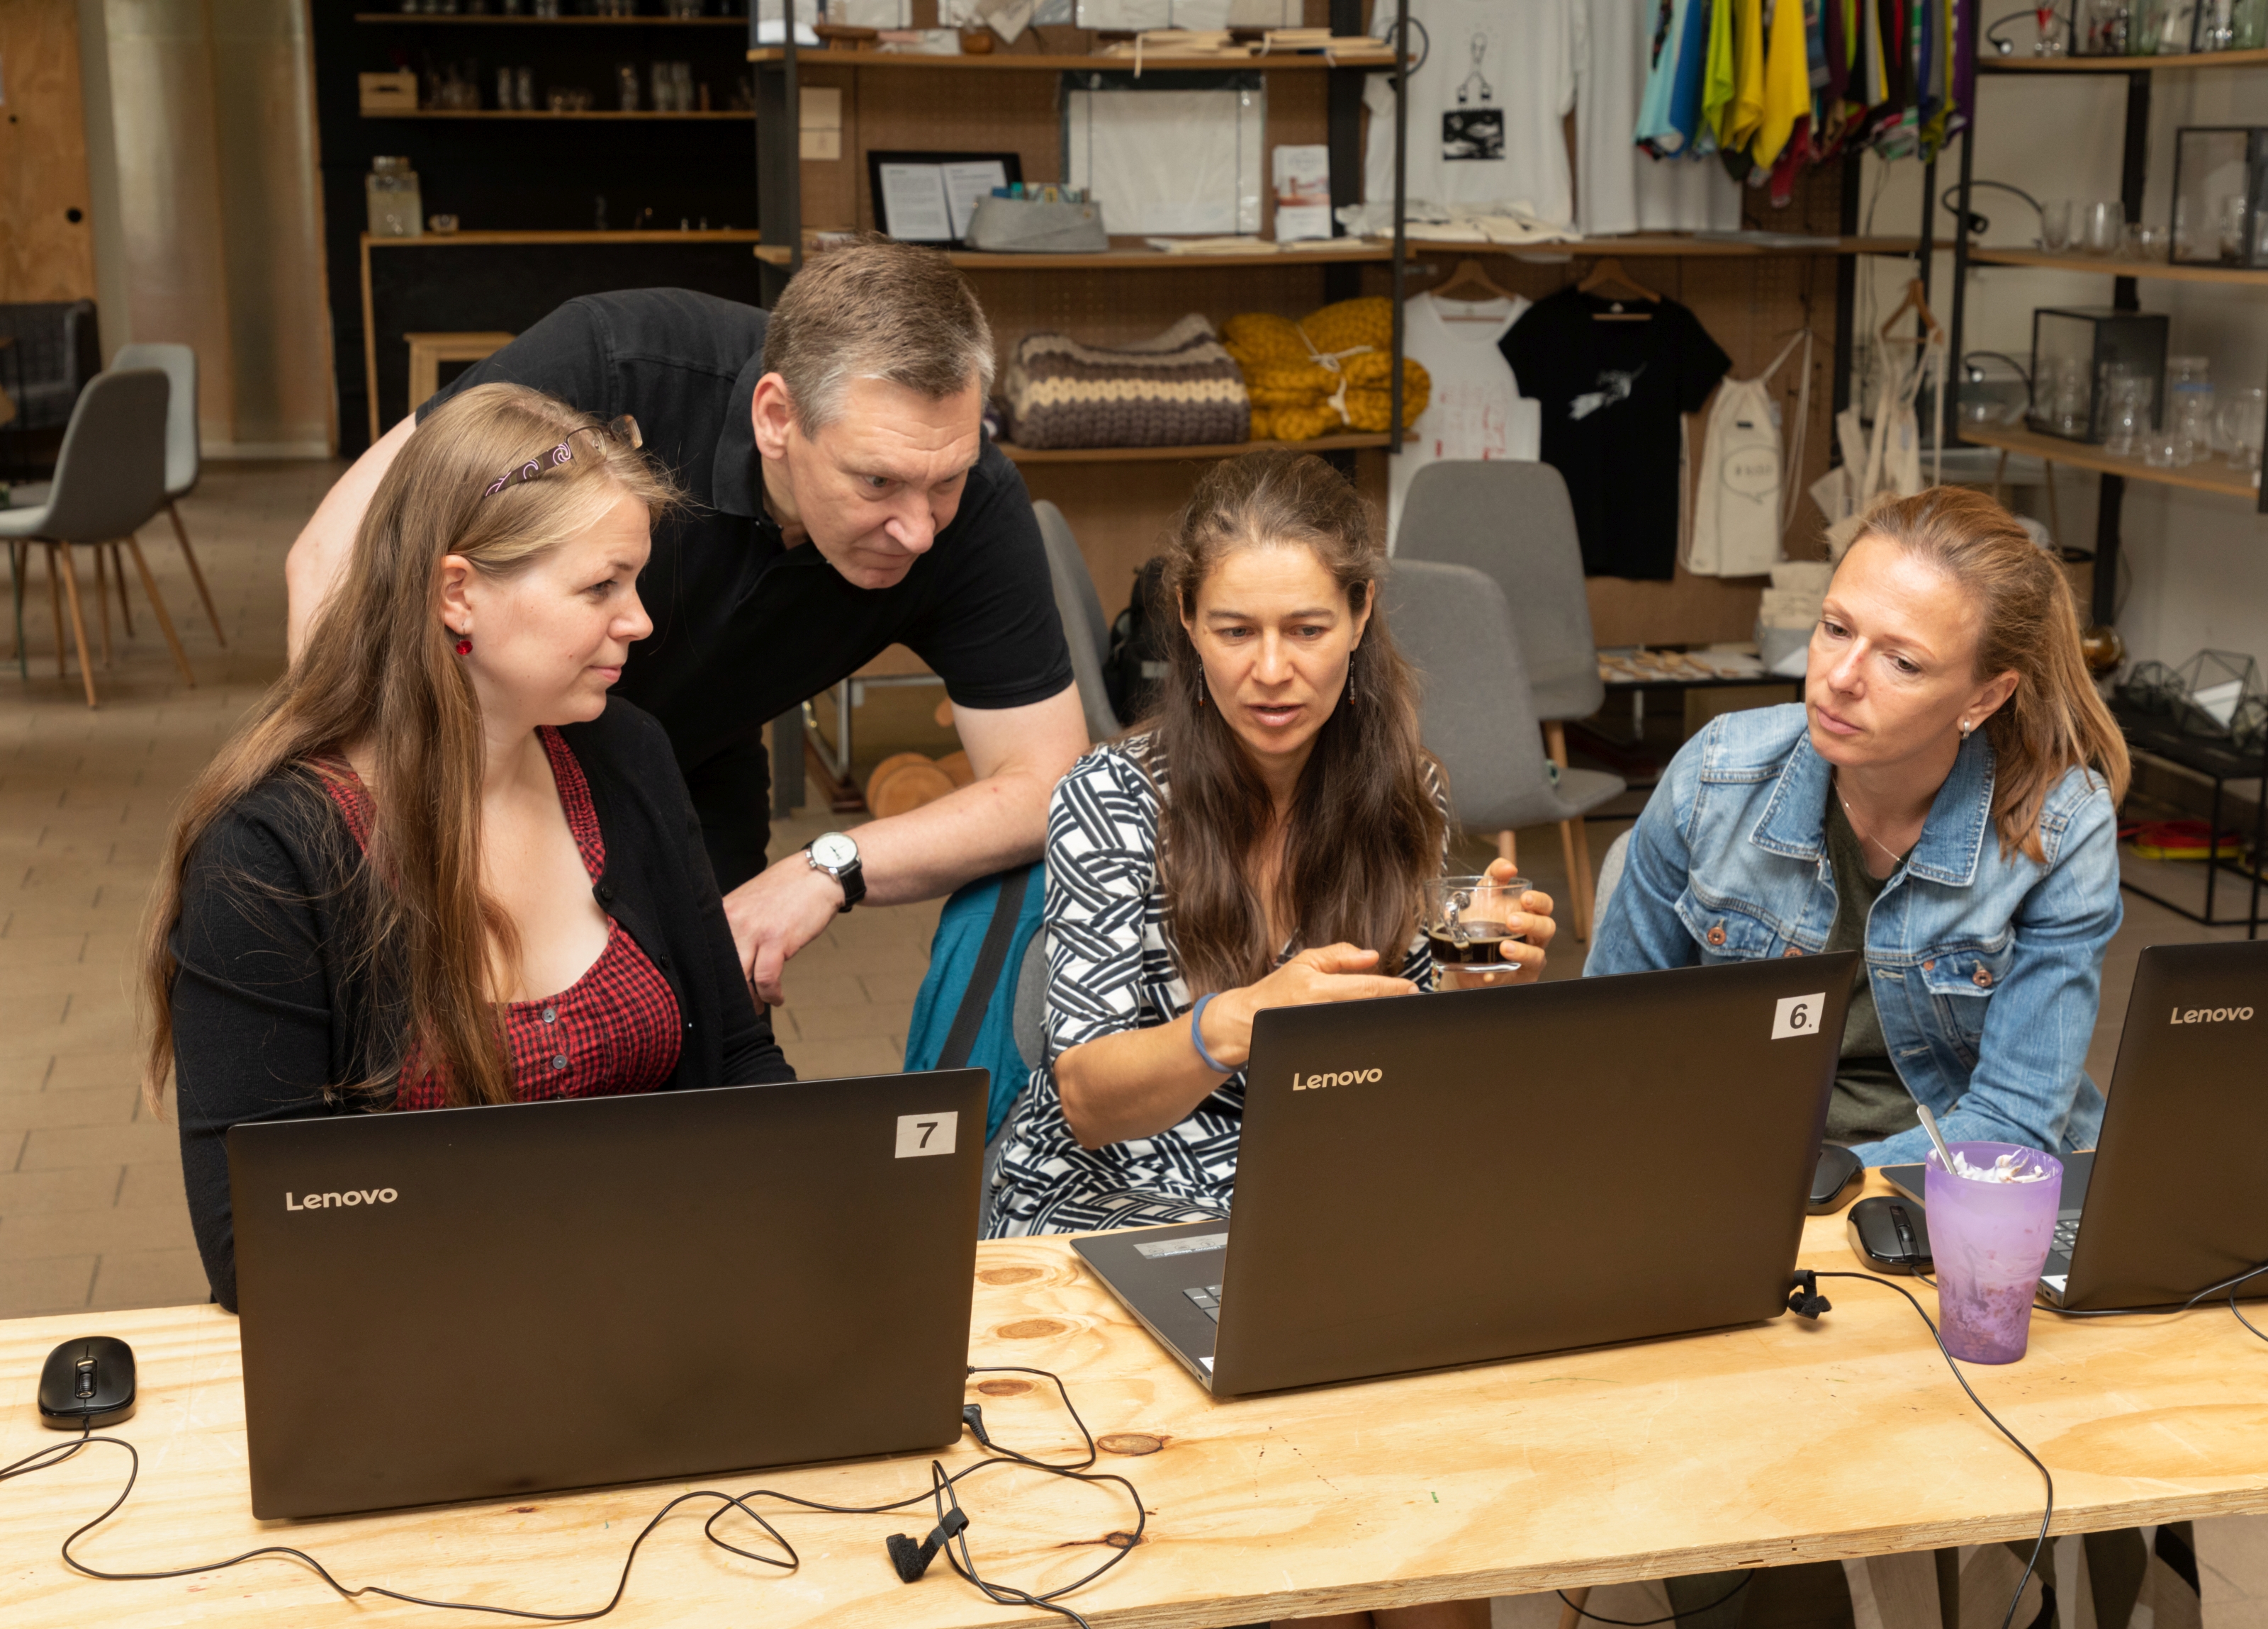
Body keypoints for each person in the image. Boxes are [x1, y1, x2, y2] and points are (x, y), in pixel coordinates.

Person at [284, 242, 1087, 1007]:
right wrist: (378, 827)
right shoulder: (614, 366)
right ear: (777, 417)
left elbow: (1047, 779)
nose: (918, 530)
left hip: (686, 765)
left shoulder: (970, 504)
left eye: (944, 481)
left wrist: (829, 865)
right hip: (472, 753)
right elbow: (330, 558)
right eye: (876, 482)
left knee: (712, 1036)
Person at [142, 384, 795, 1312]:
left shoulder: (626, 756)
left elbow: (737, 1057)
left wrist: (802, 1208)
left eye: (636, 581)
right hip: (422, 1339)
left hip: (660, 1311)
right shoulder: (270, 855)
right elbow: (256, 1243)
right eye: (601, 586)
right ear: (458, 593)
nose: (640, 620)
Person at [1588, 485, 2131, 1167]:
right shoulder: (1717, 774)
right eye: (1836, 628)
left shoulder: (2060, 827)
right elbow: (1612, 1044)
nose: (1840, 677)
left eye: (1901, 662)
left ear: (1986, 696)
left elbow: (2012, 1121)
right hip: (1741, 1154)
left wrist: (1807, 1181)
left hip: (1951, 1177)